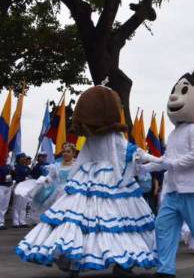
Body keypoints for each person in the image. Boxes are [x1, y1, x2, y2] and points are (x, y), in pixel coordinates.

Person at [16, 85, 157, 277]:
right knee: (118, 223)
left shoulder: (101, 137)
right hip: (106, 179)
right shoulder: (109, 137)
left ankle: (81, 262)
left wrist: (73, 182)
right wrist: (159, 160)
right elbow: (130, 152)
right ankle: (120, 263)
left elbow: (87, 159)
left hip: (90, 178)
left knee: (79, 222)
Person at [140, 64, 194, 278]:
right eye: (175, 91)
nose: (175, 98)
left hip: (193, 190)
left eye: (184, 91)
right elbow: (166, 159)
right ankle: (165, 268)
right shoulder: (175, 133)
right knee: (163, 225)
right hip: (174, 191)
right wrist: (144, 166)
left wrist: (170, 164)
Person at [11, 153, 32, 228]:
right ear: (18, 159)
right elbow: (14, 176)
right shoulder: (15, 167)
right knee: (17, 205)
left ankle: (22, 221)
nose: (24, 158)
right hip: (19, 186)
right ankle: (15, 222)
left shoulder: (27, 168)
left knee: (23, 205)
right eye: (22, 157)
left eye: (24, 157)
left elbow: (30, 176)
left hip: (25, 187)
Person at [0, 160, 13, 230]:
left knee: (4, 206)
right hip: (1, 186)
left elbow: (11, 175)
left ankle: (1, 223)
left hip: (8, 186)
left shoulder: (8, 165)